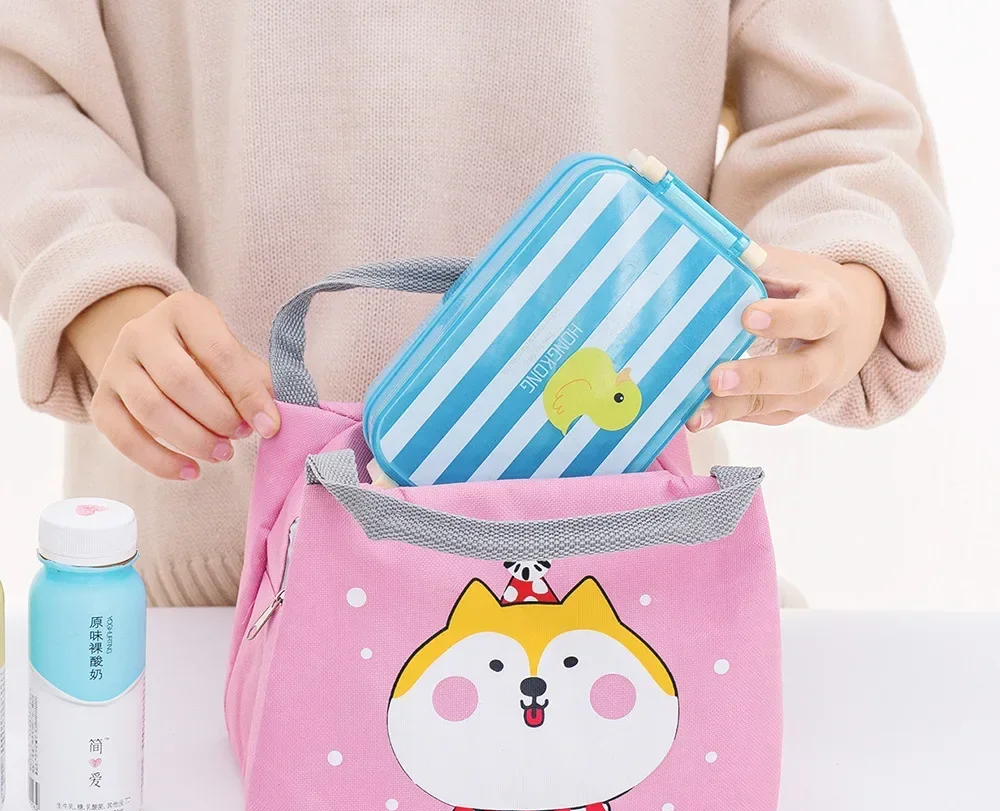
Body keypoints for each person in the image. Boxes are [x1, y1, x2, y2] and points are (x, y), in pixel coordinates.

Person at [0, 2, 950, 606]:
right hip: (206, 593)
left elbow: (845, 118)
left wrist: (843, 274)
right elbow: (20, 81)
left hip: (630, 572)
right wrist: (102, 289)